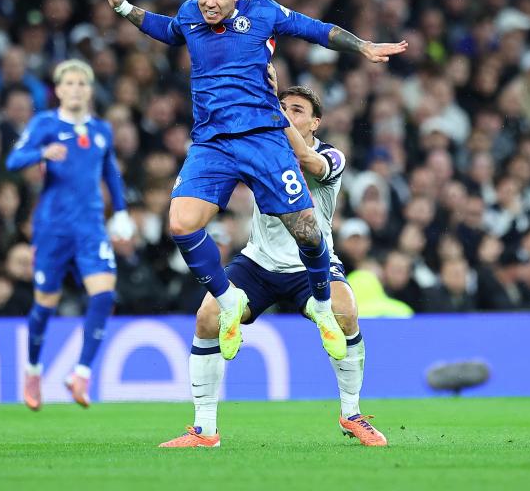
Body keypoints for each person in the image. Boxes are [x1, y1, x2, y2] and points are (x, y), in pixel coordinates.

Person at [95, 0, 406, 362]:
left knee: (309, 233)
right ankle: (228, 301)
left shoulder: (263, 11)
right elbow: (166, 29)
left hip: (263, 138)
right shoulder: (190, 15)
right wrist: (122, 7)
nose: (209, 2)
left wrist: (361, 45)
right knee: (180, 224)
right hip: (212, 143)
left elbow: (316, 30)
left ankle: (322, 307)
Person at [160, 70, 386, 448]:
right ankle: (204, 431)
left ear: (316, 122)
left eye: (296, 110)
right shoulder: (258, 148)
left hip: (309, 264)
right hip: (259, 263)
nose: (285, 113)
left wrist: (265, 104)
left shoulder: (333, 155)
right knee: (206, 318)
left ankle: (352, 413)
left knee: (346, 311)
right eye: (281, 106)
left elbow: (307, 161)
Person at [6, 59, 134, 411]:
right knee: (45, 306)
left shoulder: (101, 130)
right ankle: (33, 370)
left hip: (91, 226)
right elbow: (13, 161)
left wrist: (121, 211)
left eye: (82, 83)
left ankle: (80, 374)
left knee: (104, 295)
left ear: (89, 91)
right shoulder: (45, 124)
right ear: (59, 90)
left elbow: (109, 172)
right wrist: (41, 153)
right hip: (53, 228)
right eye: (70, 83)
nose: (76, 89)